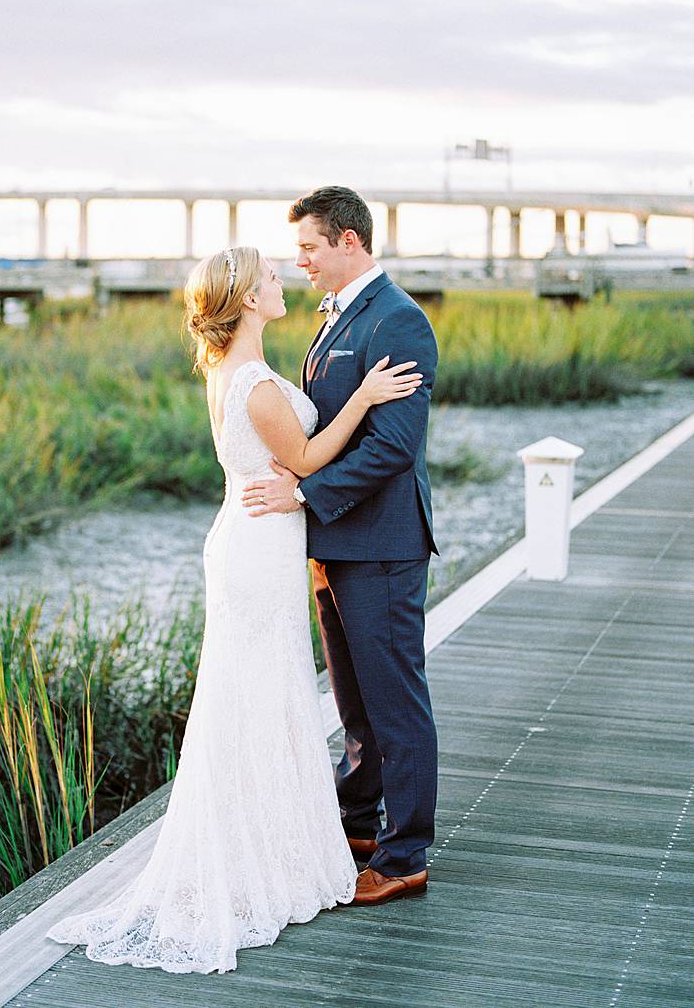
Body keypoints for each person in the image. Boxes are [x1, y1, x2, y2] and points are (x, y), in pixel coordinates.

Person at [46, 244, 423, 973]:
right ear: (249, 298)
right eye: (273, 277)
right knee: (259, 691)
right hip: (258, 545)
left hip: (257, 539)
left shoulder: (237, 371)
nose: (285, 280)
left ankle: (270, 838)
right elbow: (308, 458)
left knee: (261, 691)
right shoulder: (250, 380)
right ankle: (258, 857)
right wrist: (365, 399)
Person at [242, 185, 439, 906]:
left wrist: (303, 494)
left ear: (349, 241)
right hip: (335, 544)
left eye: (309, 248)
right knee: (354, 703)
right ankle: (357, 821)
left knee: (394, 701)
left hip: (381, 544)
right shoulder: (337, 316)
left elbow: (394, 446)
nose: (301, 264)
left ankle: (406, 852)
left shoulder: (398, 322)